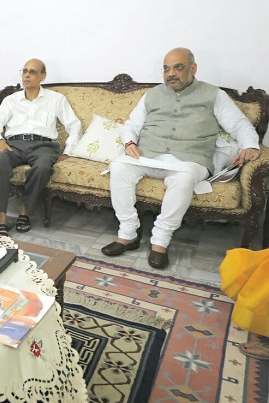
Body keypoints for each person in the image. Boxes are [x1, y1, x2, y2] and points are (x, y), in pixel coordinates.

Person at [102, 47, 260, 269]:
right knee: (119, 167)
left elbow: (239, 124)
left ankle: (160, 242)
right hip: (149, 154)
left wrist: (250, 145)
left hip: (190, 159)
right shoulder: (153, 94)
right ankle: (128, 233)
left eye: (178, 67)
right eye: (166, 69)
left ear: (192, 68)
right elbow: (132, 124)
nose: (171, 74)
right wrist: (129, 142)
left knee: (184, 179)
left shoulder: (214, 94)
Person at [0, 59, 82, 235]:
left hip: (43, 146)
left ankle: (24, 210)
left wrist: (68, 150)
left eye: (32, 72)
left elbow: (74, 125)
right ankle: (2, 218)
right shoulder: (11, 100)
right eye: (24, 71)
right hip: (14, 144)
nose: (27, 75)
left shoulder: (56, 99)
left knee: (43, 167)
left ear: (42, 76)